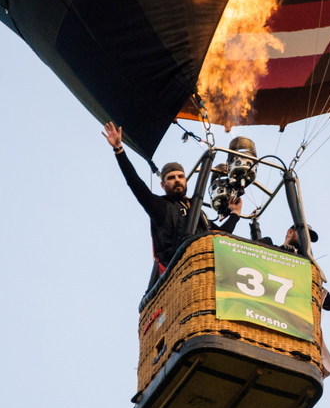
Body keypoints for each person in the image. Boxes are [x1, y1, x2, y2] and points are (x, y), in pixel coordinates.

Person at [102, 122, 241, 286]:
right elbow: (135, 183)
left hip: (207, 266)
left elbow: (220, 234)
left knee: (261, 244)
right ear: (163, 185)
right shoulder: (160, 207)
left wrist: (235, 214)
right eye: (171, 178)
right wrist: (119, 150)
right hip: (180, 266)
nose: (177, 180)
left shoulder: (197, 211)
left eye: (180, 177)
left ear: (186, 181)